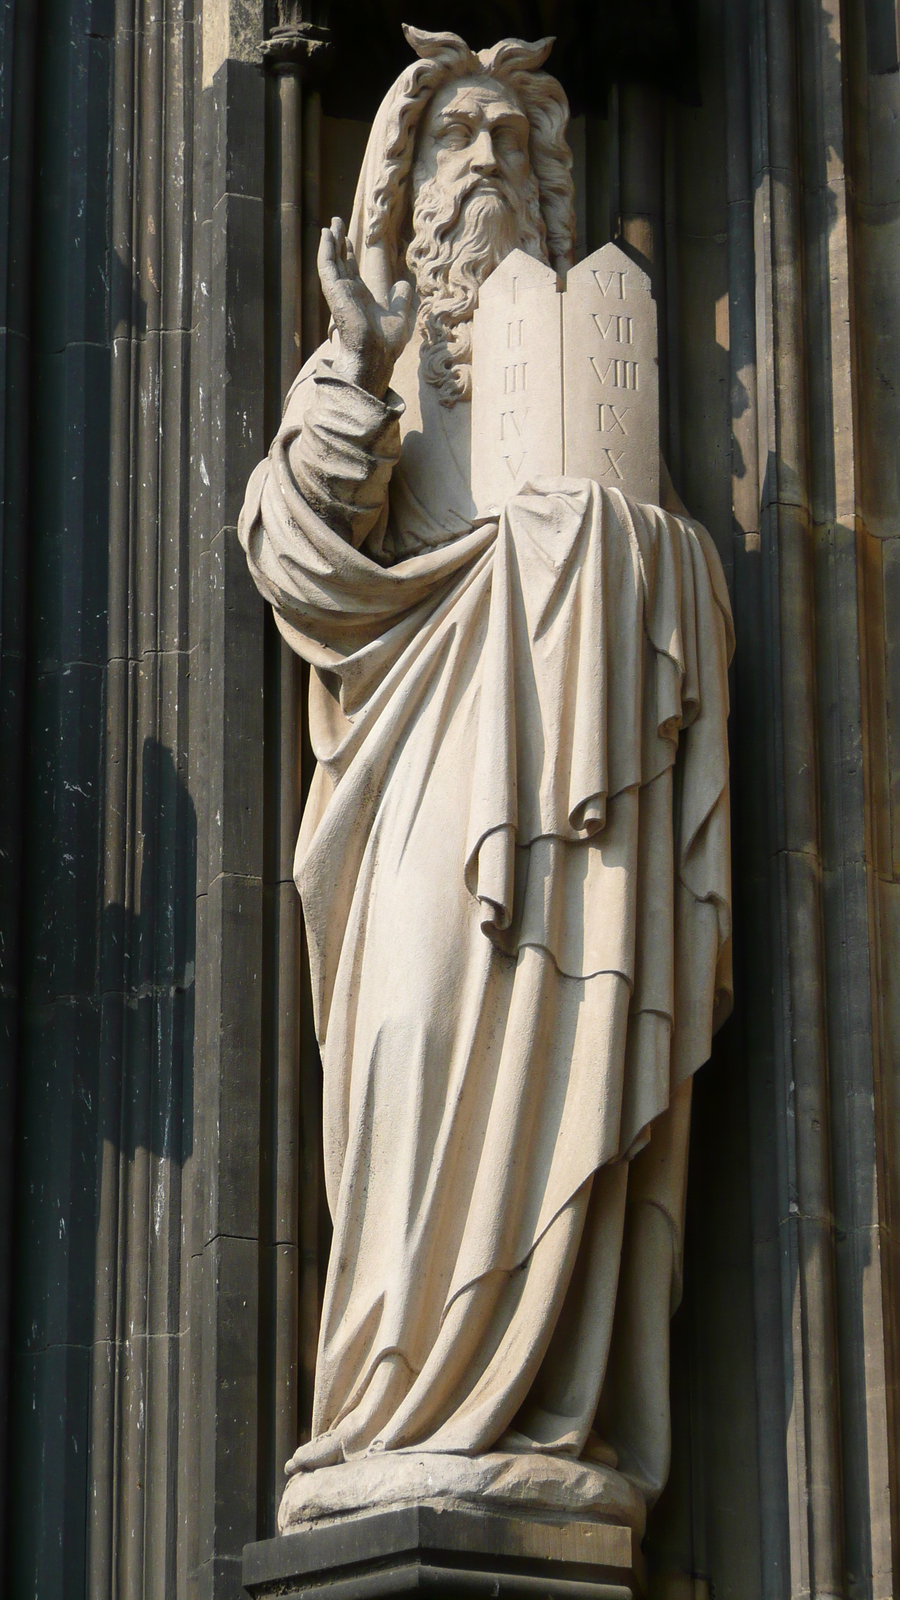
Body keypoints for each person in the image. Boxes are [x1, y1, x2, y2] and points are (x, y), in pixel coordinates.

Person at [239, 26, 733, 1537]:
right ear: (400, 185)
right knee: (412, 1035)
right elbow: (302, 557)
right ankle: (396, 1397)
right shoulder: (373, 361)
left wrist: (633, 554)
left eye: (515, 144)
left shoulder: (597, 352)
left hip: (574, 777)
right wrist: (365, 371)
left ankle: (540, 1403)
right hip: (421, 776)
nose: (487, 168)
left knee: (569, 1040)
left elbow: (682, 582)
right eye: (455, 138)